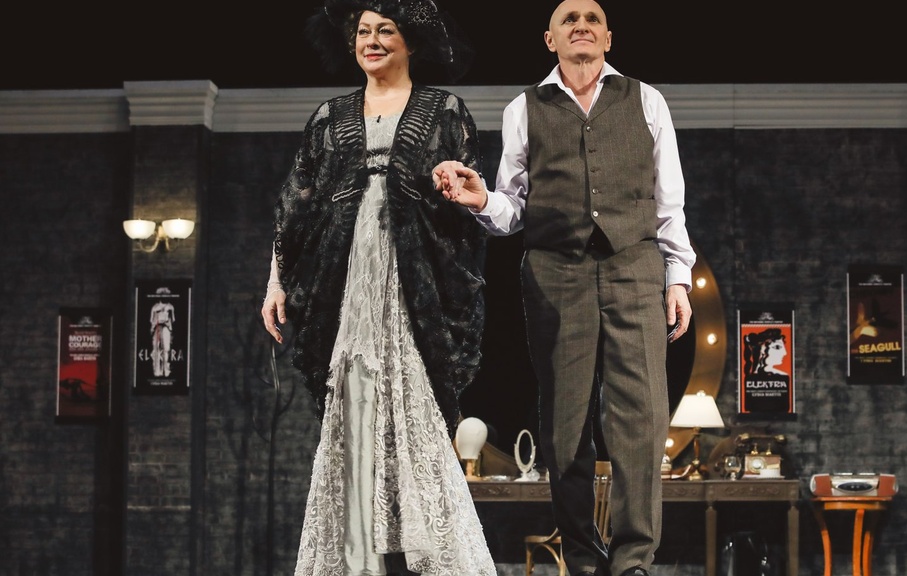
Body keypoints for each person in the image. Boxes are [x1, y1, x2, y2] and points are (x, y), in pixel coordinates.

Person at [433, 1, 696, 574]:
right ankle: (582, 556)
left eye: (592, 18)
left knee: (641, 419)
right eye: (569, 19)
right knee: (565, 423)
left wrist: (678, 276)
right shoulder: (524, 108)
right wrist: (481, 200)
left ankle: (633, 560)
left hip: (634, 265)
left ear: (608, 37)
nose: (582, 24)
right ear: (550, 39)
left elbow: (668, 202)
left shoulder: (646, 100)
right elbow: (512, 208)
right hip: (555, 273)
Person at [260, 1, 495, 574]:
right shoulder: (330, 116)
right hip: (347, 286)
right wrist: (275, 282)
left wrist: (451, 185)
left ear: (411, 41)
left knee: (416, 408)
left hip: (416, 284)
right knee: (353, 401)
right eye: (363, 31)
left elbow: (470, 199)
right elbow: (297, 206)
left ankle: (436, 555)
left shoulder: (444, 110)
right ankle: (355, 554)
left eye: (385, 30)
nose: (372, 40)